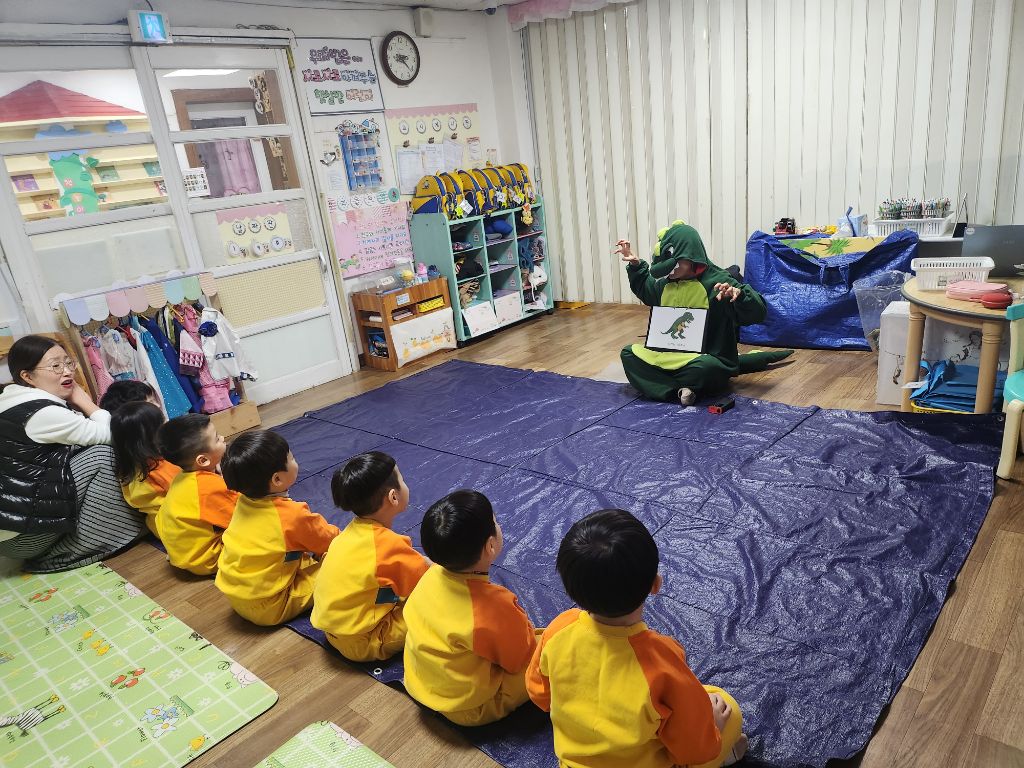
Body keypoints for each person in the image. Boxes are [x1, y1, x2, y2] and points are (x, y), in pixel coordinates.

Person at [526, 509, 747, 768]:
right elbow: (695, 749)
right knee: (725, 705)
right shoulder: (661, 660)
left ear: (570, 588)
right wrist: (714, 726)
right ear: (655, 584)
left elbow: (538, 693)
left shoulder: (559, 628)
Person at [0, 335, 146, 572]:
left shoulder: (11, 401)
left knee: (87, 455)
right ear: (27, 376)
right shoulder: (42, 412)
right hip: (23, 538)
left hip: (11, 532)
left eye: (68, 363)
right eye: (55, 366)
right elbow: (111, 435)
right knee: (103, 455)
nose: (67, 372)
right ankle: (62, 554)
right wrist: (85, 401)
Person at [615, 221, 792, 405]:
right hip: (668, 355)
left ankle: (664, 385)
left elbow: (758, 313)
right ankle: (682, 388)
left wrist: (740, 296)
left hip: (703, 359)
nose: (668, 272)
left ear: (690, 254)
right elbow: (646, 289)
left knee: (707, 368)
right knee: (628, 354)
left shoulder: (719, 283)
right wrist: (635, 265)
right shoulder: (666, 284)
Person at [403, 490, 539, 726]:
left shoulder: (430, 575)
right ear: (490, 545)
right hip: (469, 708)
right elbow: (520, 659)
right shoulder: (494, 606)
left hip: (418, 682)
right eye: (495, 522)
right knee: (548, 650)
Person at [311, 451, 429, 661]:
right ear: (393, 497)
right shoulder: (387, 545)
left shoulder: (349, 532)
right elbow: (428, 581)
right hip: (366, 641)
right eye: (402, 479)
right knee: (434, 604)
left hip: (333, 633)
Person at [218, 430, 340, 625]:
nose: (295, 460)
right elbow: (332, 540)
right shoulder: (292, 515)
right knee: (343, 567)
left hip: (238, 595)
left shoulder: (243, 501)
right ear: (277, 480)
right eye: (291, 458)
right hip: (272, 605)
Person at [156, 414, 235, 575]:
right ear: (203, 460)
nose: (222, 438)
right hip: (207, 559)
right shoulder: (209, 487)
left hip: (181, 554)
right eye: (216, 439)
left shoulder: (181, 477)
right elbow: (242, 515)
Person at [111, 401, 179, 538]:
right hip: (179, 527)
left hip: (158, 527)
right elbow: (192, 490)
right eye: (162, 423)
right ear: (149, 437)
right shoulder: (160, 467)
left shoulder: (130, 468)